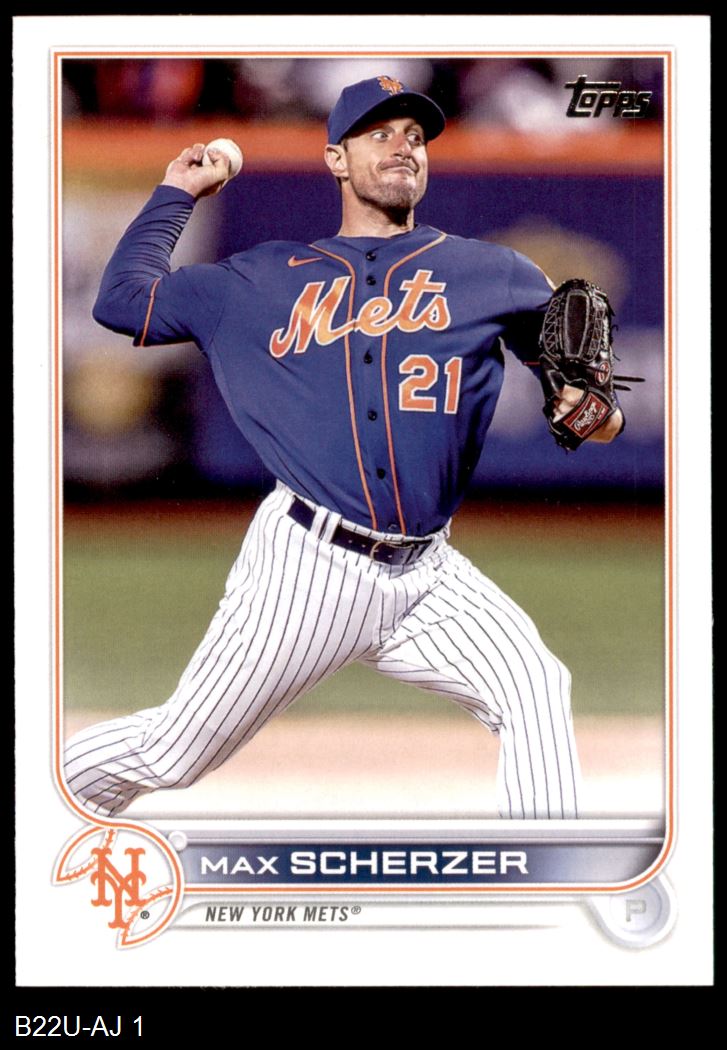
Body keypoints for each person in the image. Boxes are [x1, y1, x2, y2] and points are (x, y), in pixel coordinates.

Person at [64, 75, 623, 820]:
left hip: (428, 573)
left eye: (415, 136)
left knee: (534, 687)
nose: (403, 147)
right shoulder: (260, 279)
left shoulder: (496, 274)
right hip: (307, 567)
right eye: (379, 134)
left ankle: (550, 873)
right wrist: (177, 193)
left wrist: (587, 411)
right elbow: (121, 303)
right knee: (170, 752)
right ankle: (39, 798)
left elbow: (595, 417)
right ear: (335, 159)